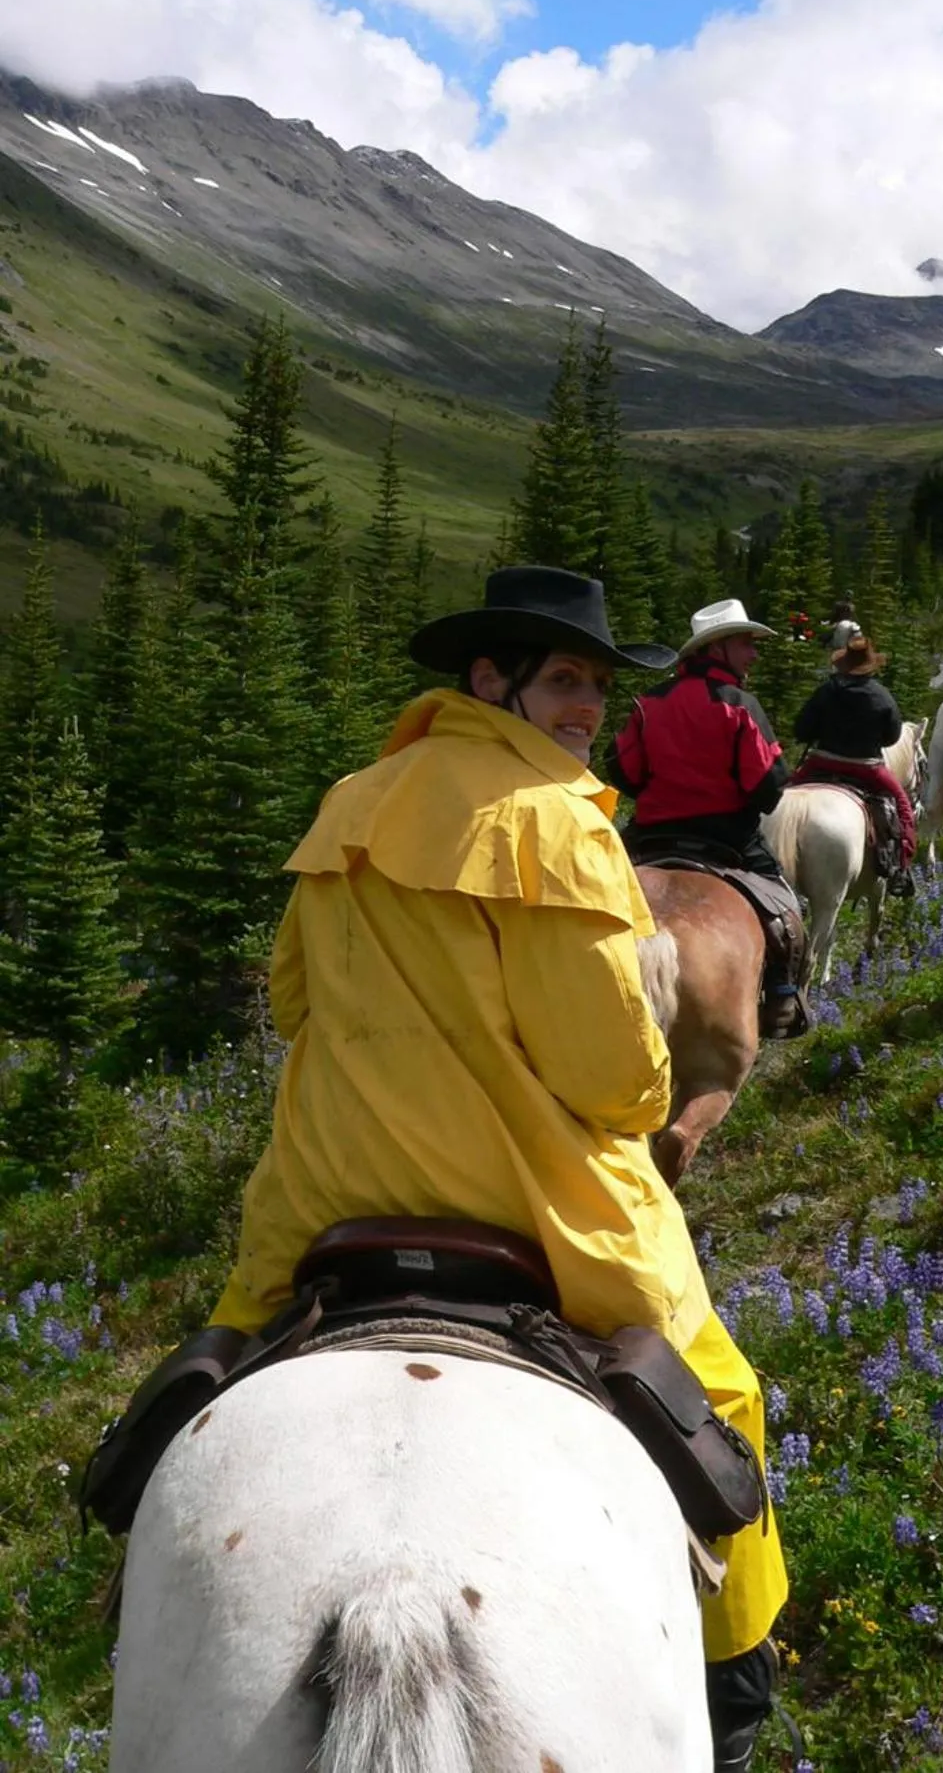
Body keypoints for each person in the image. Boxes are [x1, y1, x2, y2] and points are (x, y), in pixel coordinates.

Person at [207, 566, 789, 1773]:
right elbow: (615, 1079)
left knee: (211, 1372)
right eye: (567, 678)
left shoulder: (352, 802)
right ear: (492, 680)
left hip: (333, 1193)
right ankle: (735, 1684)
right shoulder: (559, 819)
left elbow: (289, 998)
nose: (587, 706)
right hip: (540, 1204)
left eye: (594, 684)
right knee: (721, 1395)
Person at [610, 598, 790, 877]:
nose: (753, 654)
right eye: (746, 644)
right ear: (718, 647)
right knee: (785, 906)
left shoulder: (648, 701)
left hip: (651, 832)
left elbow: (625, 773)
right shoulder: (740, 705)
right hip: (729, 836)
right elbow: (768, 785)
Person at [788, 634, 917, 893]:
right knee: (904, 808)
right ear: (870, 666)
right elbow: (892, 738)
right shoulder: (882, 696)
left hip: (821, 763)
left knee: (780, 795)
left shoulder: (826, 691)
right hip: (867, 769)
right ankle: (901, 868)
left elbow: (800, 730)